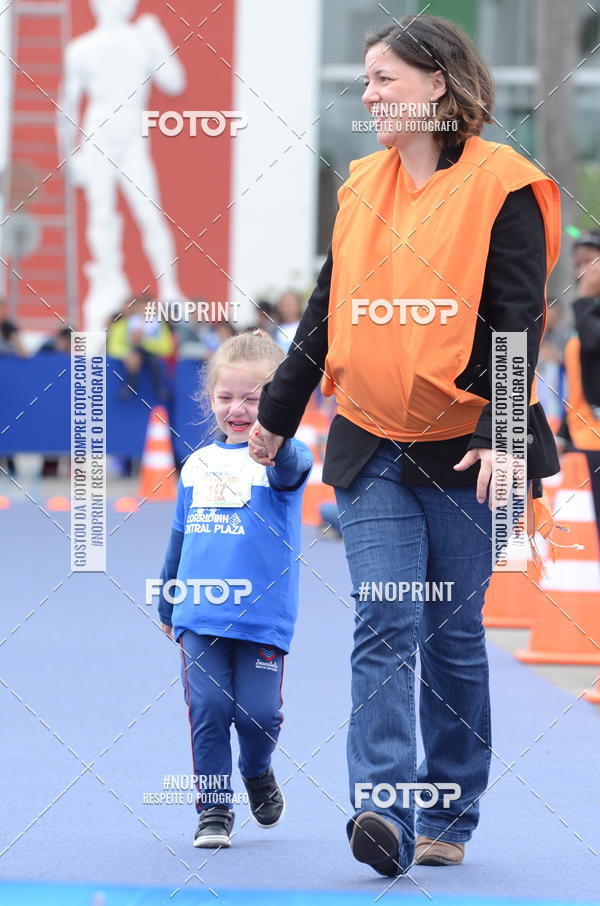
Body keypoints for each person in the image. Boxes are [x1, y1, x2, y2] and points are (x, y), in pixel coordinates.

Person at [249, 14, 561, 877]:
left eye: (384, 78)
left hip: (468, 450)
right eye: (367, 79)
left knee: (451, 634)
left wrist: (504, 433)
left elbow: (516, 318)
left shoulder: (504, 185)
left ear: (437, 84)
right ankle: (383, 810)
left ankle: (448, 810)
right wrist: (278, 410)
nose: (371, 94)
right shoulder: (362, 186)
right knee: (386, 612)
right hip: (372, 444)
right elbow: (326, 311)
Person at [156, 329, 312, 848]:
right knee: (208, 710)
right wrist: (167, 600)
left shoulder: (285, 458)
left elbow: (292, 467)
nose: (238, 409)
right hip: (199, 614)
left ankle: (257, 770)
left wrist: (276, 441)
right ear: (210, 399)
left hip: (261, 617)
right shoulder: (196, 464)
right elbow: (179, 537)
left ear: (278, 400)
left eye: (254, 398)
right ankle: (214, 810)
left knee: (258, 715)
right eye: (226, 397)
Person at [556, 229, 600, 540]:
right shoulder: (588, 312)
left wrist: (584, 297)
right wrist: (562, 433)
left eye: (591, 262)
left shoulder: (587, 310)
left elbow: (594, 342)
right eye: (578, 264)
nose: (583, 271)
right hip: (585, 437)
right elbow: (580, 382)